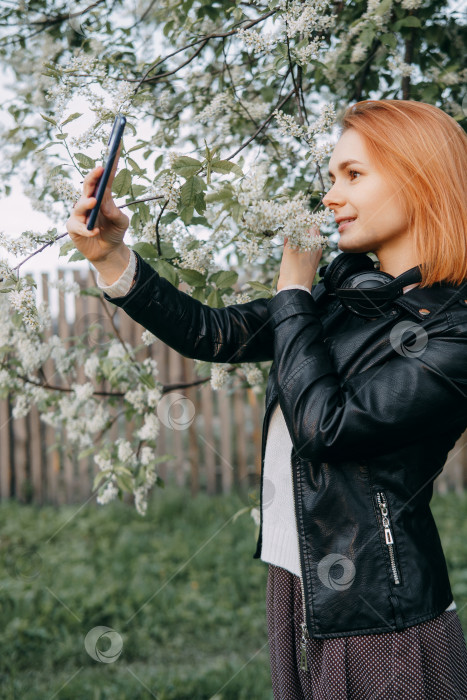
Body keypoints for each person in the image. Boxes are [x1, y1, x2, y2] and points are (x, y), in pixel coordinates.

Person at [67, 99, 467, 699]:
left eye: (353, 175)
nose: (330, 196)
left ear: (421, 178)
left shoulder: (452, 331)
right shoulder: (345, 296)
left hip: (382, 611)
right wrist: (114, 259)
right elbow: (216, 333)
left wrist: (293, 293)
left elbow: (327, 429)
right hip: (298, 576)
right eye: (331, 178)